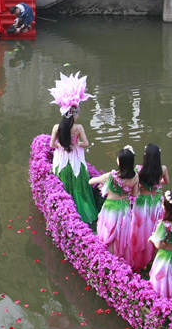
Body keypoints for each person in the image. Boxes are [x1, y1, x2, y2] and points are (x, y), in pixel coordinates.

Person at [48, 72, 97, 225]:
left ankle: (65, 213)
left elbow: (51, 145)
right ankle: (83, 214)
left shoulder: (57, 127)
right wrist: (76, 145)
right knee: (79, 184)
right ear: (74, 115)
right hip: (75, 157)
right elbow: (86, 143)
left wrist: (62, 146)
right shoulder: (78, 128)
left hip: (62, 158)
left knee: (64, 182)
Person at [89, 146, 138, 260]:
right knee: (120, 235)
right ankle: (118, 256)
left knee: (107, 232)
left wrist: (104, 186)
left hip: (110, 209)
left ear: (120, 162)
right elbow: (134, 195)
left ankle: (107, 257)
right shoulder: (135, 177)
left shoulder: (111, 176)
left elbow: (92, 181)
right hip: (124, 210)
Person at [129, 143, 169, 271]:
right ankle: (152, 257)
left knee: (139, 230)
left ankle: (140, 258)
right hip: (155, 204)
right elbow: (166, 182)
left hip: (141, 203)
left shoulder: (138, 169)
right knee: (154, 229)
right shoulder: (162, 169)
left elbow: (134, 185)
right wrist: (157, 184)